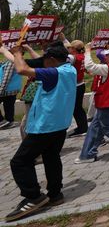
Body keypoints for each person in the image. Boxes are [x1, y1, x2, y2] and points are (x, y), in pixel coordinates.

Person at [6, 42, 75, 221]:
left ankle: (33, 196)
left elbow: (21, 70)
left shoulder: (53, 73)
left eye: (45, 59)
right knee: (51, 157)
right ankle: (55, 194)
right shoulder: (69, 69)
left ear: (52, 60)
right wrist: (11, 52)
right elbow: (31, 62)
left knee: (19, 162)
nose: (42, 62)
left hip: (45, 126)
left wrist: (18, 53)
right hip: (60, 124)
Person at [59, 36, 88, 138]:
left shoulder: (72, 57)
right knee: (78, 108)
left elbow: (64, 58)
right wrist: (64, 39)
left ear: (74, 49)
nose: (68, 49)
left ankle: (81, 128)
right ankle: (83, 127)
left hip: (73, 86)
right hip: (81, 84)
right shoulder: (82, 56)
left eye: (70, 48)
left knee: (73, 108)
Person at [0, 41, 21, 129]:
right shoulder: (14, 61)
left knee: (8, 105)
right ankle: (9, 121)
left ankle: (1, 121)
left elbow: (6, 78)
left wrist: (1, 90)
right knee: (9, 106)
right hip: (13, 89)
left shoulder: (10, 63)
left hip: (6, 89)